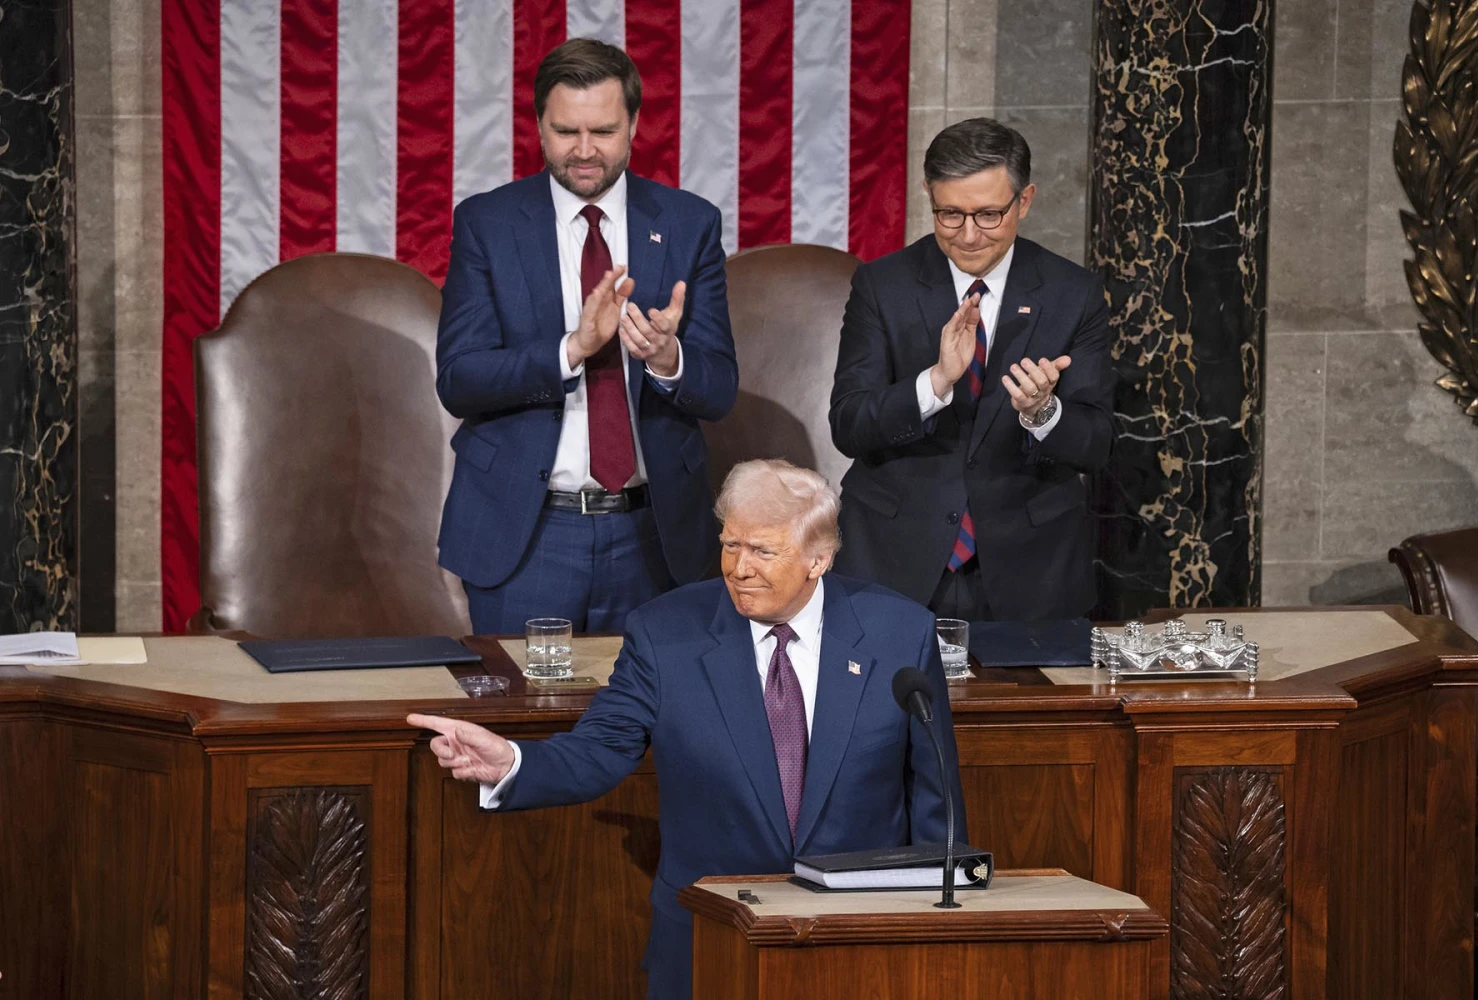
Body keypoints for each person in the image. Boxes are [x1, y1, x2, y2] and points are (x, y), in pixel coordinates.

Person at [409, 459, 965, 1000]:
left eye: (762, 551)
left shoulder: (898, 632)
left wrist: (940, 930)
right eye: (730, 545)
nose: (739, 568)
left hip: (859, 940)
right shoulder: (665, 633)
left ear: (818, 559)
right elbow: (601, 747)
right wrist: (513, 762)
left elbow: (935, 797)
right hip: (708, 935)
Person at [435, 38, 737, 635]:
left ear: (634, 126)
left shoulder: (688, 223)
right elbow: (459, 379)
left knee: (651, 698)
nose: (583, 151)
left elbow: (720, 388)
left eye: (602, 131)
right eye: (565, 131)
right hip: (527, 535)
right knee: (523, 697)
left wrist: (667, 358)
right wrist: (571, 349)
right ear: (539, 127)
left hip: (653, 535)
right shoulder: (488, 223)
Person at [829, 118, 1116, 622]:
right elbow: (848, 426)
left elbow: (1096, 445)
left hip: (1031, 570)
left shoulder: (1074, 293)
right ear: (928, 195)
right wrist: (934, 383)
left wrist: (1043, 412)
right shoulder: (882, 286)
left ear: (1024, 201)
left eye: (988, 215)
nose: (967, 235)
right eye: (950, 214)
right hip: (895, 562)